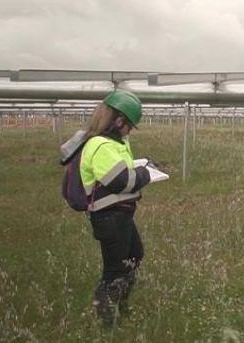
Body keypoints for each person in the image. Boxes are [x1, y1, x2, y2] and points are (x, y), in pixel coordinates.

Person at [74, 90, 153, 326]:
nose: (129, 131)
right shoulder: (100, 145)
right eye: (129, 126)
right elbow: (121, 180)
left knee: (134, 256)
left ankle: (121, 306)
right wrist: (144, 174)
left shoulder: (111, 143)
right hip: (110, 218)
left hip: (120, 214)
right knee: (114, 270)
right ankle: (107, 322)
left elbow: (119, 170)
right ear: (118, 121)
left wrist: (140, 166)